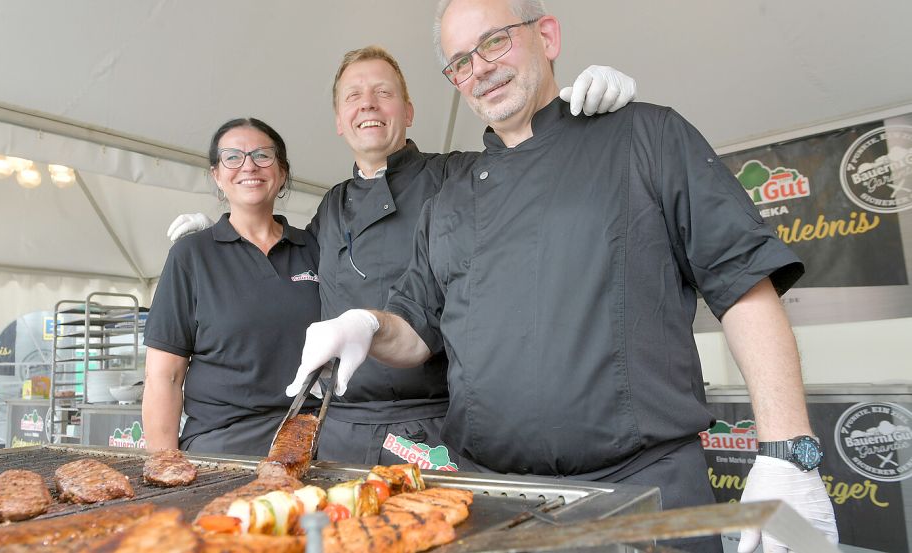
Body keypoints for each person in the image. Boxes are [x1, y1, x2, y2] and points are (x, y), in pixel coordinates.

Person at [288, 1, 838, 552]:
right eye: (460, 62)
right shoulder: (448, 201)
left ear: (547, 36)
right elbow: (414, 329)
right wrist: (367, 324)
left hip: (643, 492)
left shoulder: (645, 136)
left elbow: (743, 283)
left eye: (495, 41)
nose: (480, 68)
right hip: (492, 502)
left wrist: (788, 452)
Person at [169, 51, 636, 469]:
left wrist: (579, 125)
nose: (368, 104)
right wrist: (222, 237)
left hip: (435, 427)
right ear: (339, 121)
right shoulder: (331, 207)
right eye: (353, 96)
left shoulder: (459, 175)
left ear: (408, 112)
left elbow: (530, 166)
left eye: (383, 93)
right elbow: (281, 263)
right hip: (336, 430)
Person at [143, 118, 320, 456]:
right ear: (217, 175)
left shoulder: (314, 248)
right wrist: (164, 463)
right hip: (223, 442)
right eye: (233, 157)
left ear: (282, 172)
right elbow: (164, 377)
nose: (249, 166)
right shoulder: (191, 255)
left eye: (262, 155)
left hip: (310, 437)